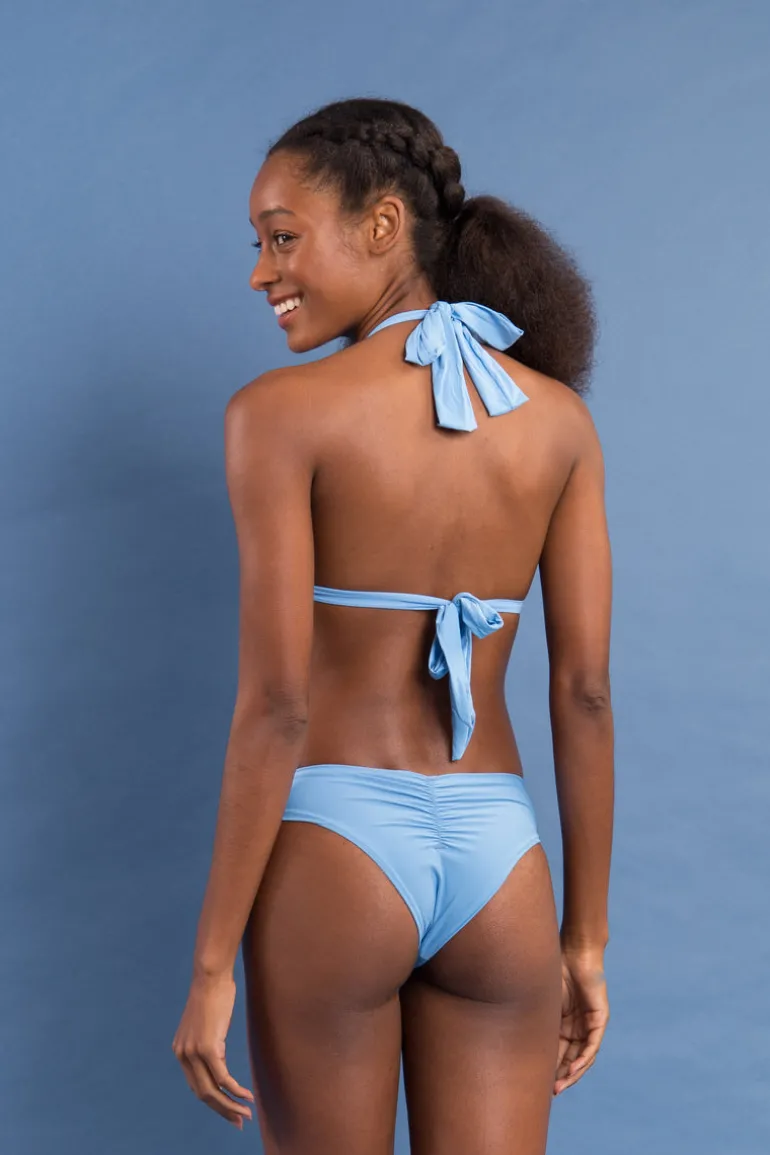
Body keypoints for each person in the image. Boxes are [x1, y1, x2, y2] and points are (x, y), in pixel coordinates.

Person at [172, 96, 613, 1155]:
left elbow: (278, 707)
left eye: (283, 237)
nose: (261, 272)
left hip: (337, 849)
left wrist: (211, 966)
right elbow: (585, 693)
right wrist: (585, 940)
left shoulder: (278, 415)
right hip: (500, 859)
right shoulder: (558, 420)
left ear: (381, 225)